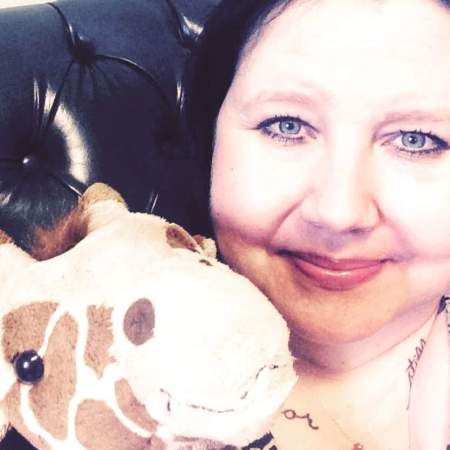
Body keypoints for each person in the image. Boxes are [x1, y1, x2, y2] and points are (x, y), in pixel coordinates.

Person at [183, 0, 450, 448]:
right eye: (287, 125)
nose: (337, 213)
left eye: (416, 140)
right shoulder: (87, 363)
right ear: (209, 138)